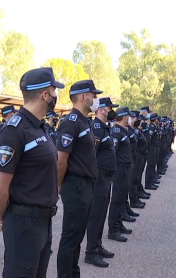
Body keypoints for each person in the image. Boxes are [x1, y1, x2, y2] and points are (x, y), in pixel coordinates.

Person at [0, 67, 63, 278]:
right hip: (24, 223)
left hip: (42, 220)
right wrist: (8, 217)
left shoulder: (40, 127)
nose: (55, 96)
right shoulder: (15, 130)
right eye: (54, 91)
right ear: (45, 95)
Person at [56, 80, 102, 278]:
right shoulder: (70, 122)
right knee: (70, 236)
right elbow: (61, 160)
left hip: (86, 185)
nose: (96, 99)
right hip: (75, 186)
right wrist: (57, 186)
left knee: (77, 236)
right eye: (93, 95)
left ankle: (74, 273)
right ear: (83, 96)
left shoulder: (84, 121)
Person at [84, 97, 118, 268]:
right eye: (110, 108)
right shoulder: (96, 128)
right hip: (99, 178)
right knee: (96, 215)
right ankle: (90, 252)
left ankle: (97, 246)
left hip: (106, 177)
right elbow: (91, 154)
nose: (112, 111)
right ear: (102, 109)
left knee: (102, 213)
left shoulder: (105, 127)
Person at [108, 107, 133, 243]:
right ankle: (113, 229)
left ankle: (118, 223)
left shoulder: (123, 130)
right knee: (117, 200)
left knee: (122, 198)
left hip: (125, 168)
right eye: (128, 116)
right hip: (120, 169)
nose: (130, 119)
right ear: (124, 117)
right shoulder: (117, 131)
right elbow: (113, 152)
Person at [145, 113, 160, 190]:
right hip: (152, 147)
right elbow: (149, 137)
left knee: (153, 164)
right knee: (150, 165)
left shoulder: (154, 126)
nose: (158, 120)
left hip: (154, 147)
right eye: (157, 119)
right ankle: (148, 183)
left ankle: (152, 180)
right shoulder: (151, 126)